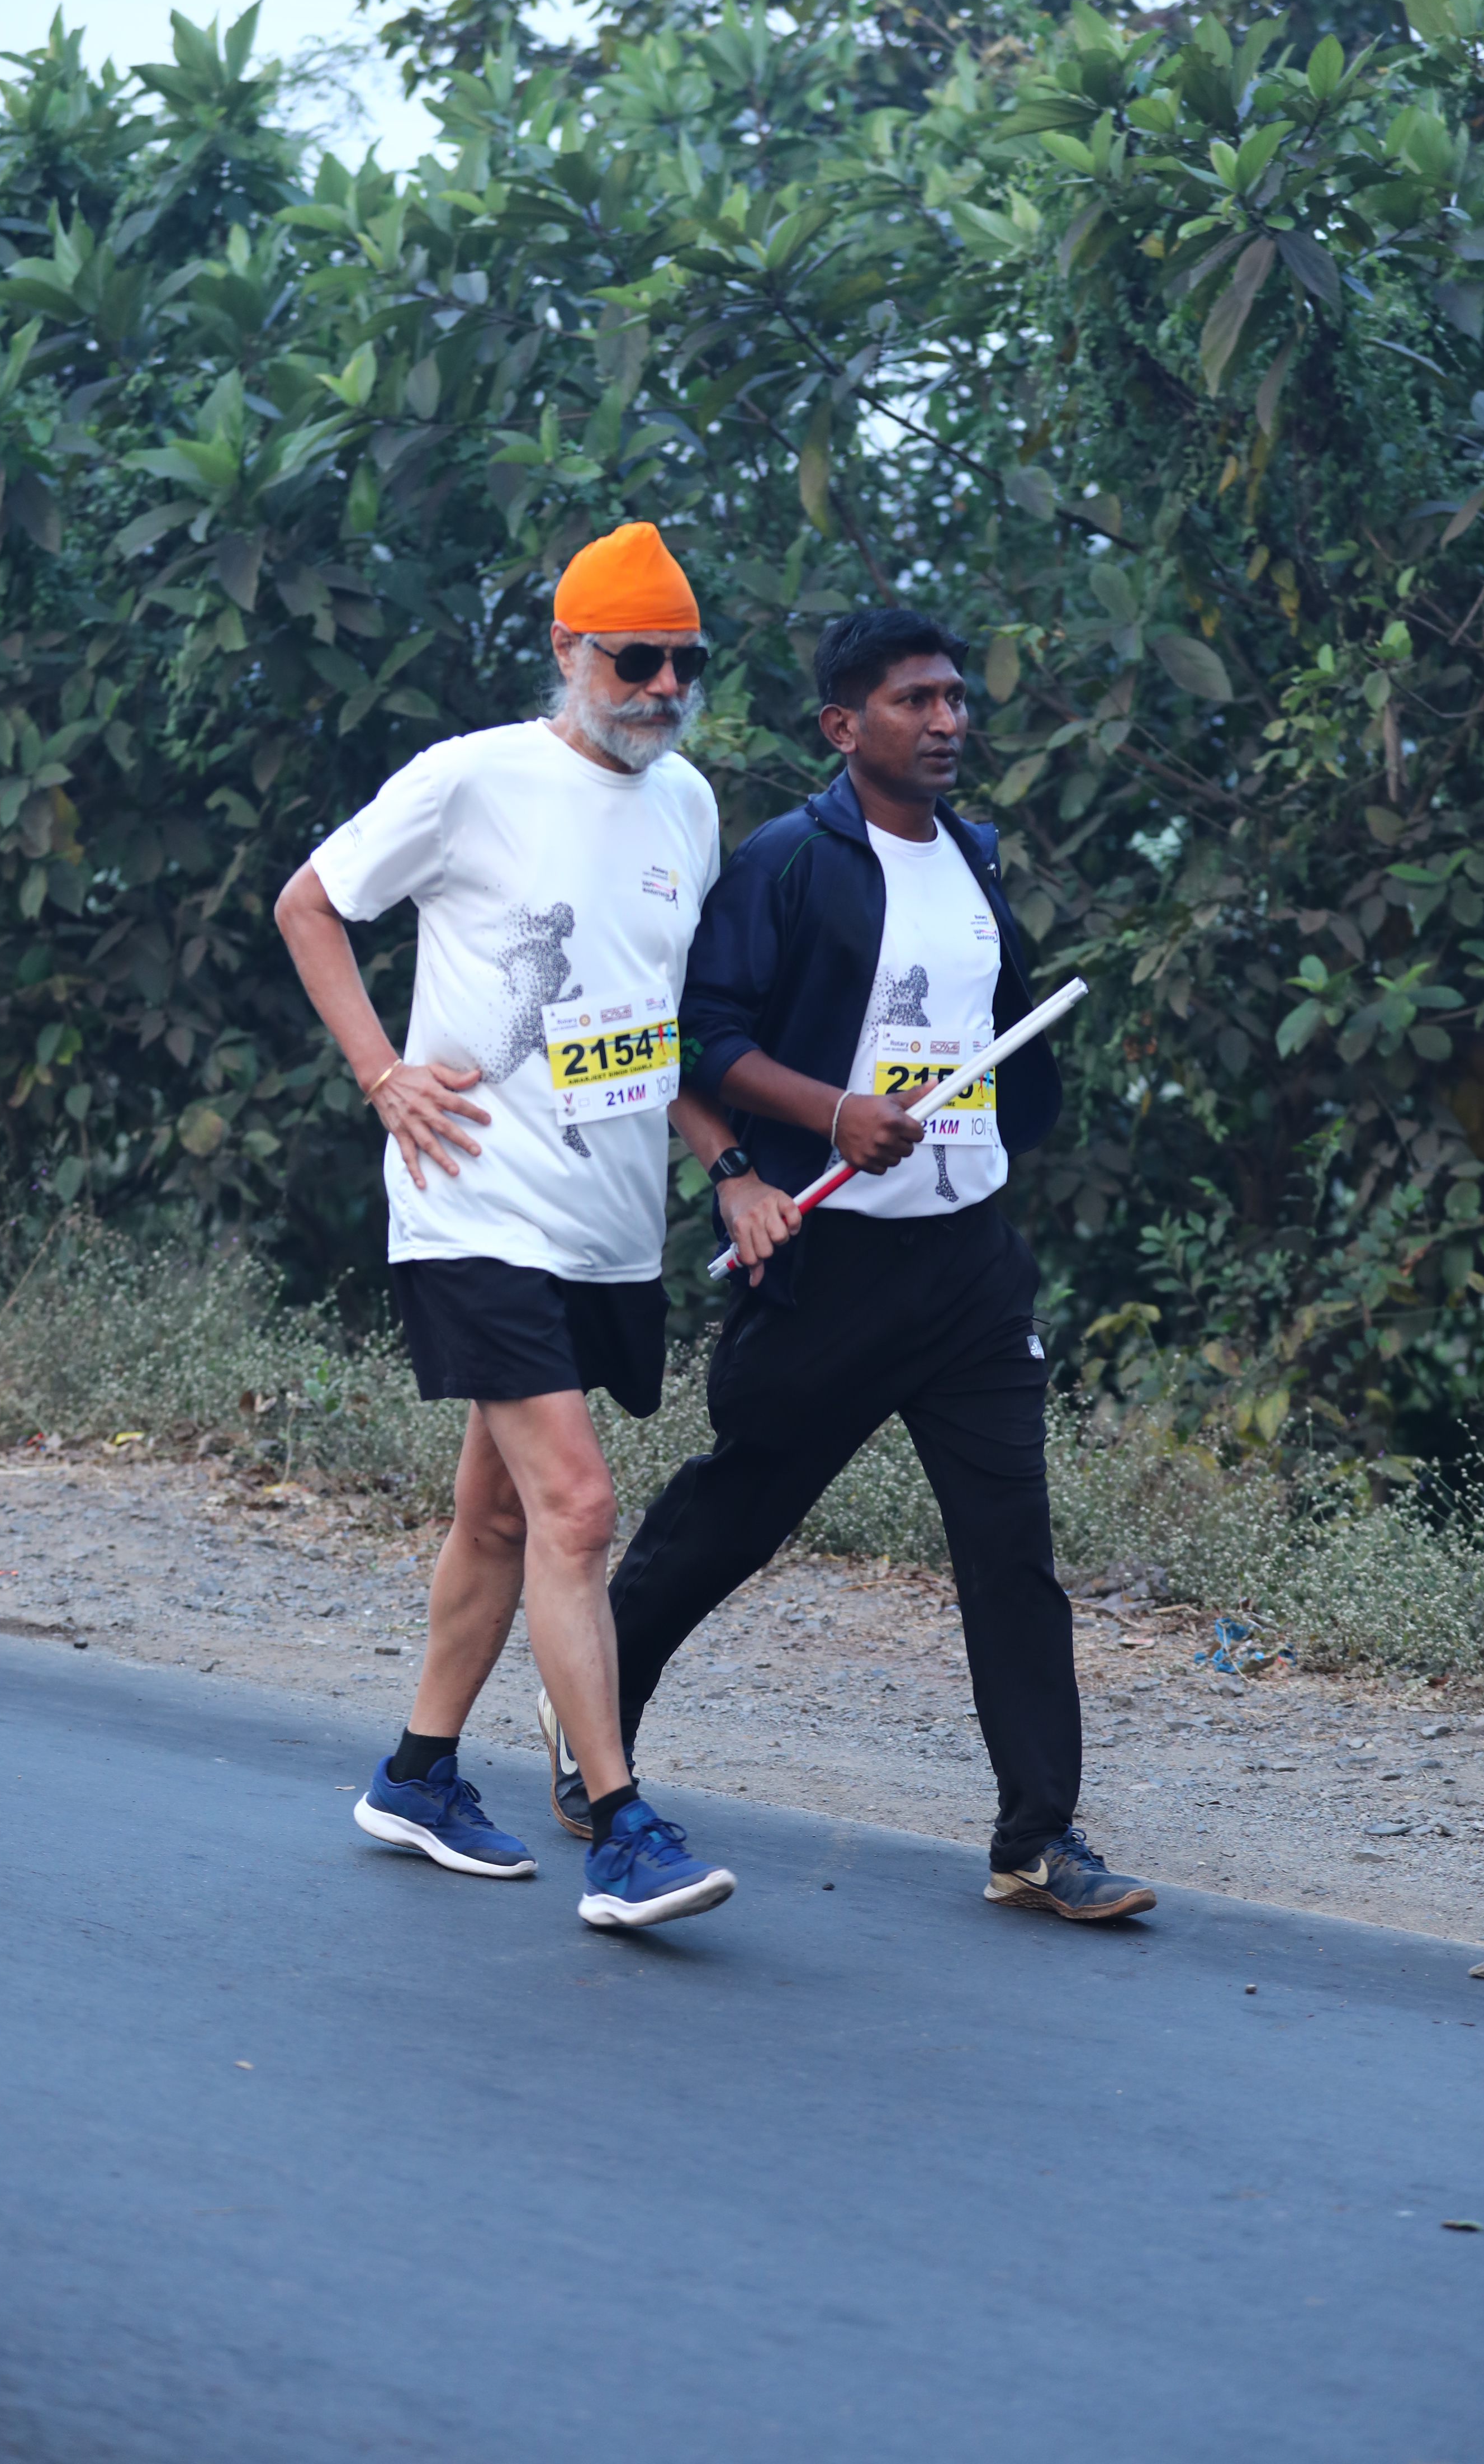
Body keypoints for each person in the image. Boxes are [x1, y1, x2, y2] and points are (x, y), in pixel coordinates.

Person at [537, 608, 1156, 1923]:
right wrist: (829, 1118)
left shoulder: (976, 856)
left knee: (1012, 1550)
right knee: (738, 1514)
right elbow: (701, 1035)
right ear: (842, 726)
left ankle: (1037, 1839)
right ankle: (592, 1721)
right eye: (914, 701)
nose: (947, 721)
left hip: (970, 1267)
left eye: (954, 699)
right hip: (833, 1263)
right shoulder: (789, 863)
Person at [274, 520, 747, 1932]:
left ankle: (418, 1775)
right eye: (636, 659)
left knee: (496, 1512)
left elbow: (655, 1025)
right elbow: (311, 903)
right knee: (579, 1508)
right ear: (567, 650)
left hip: (604, 1222)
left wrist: (726, 1162)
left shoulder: (690, 807)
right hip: (472, 1200)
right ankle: (622, 1826)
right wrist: (382, 1076)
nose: (663, 687)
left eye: (686, 663)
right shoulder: (473, 777)